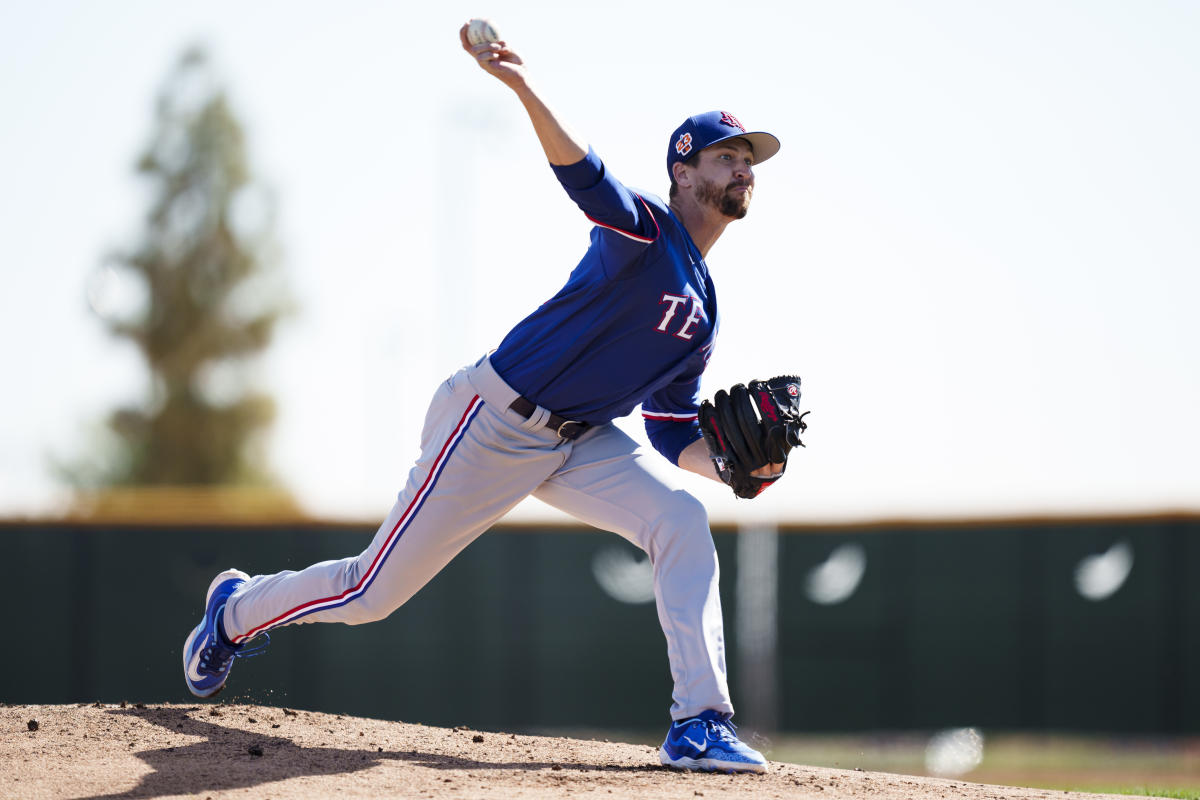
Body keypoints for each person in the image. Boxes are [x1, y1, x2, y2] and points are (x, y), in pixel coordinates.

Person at [183, 21, 786, 774]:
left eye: (749, 162)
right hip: (495, 420)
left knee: (682, 517)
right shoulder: (645, 233)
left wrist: (735, 471)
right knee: (372, 590)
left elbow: (668, 429)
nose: (743, 170)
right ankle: (234, 610)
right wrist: (519, 84)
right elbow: (585, 176)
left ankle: (697, 721)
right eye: (726, 157)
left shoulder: (703, 310)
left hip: (577, 442)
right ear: (684, 171)